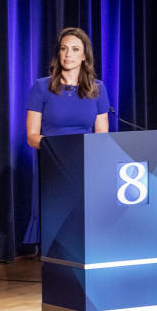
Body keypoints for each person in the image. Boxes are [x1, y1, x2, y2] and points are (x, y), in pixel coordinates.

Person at [23, 27, 110, 244]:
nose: (68, 54)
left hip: (85, 165)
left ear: (84, 56)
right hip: (53, 164)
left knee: (85, 233)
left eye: (74, 49)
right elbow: (32, 136)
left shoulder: (97, 89)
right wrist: (57, 148)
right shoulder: (41, 87)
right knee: (59, 233)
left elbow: (102, 134)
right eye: (63, 49)